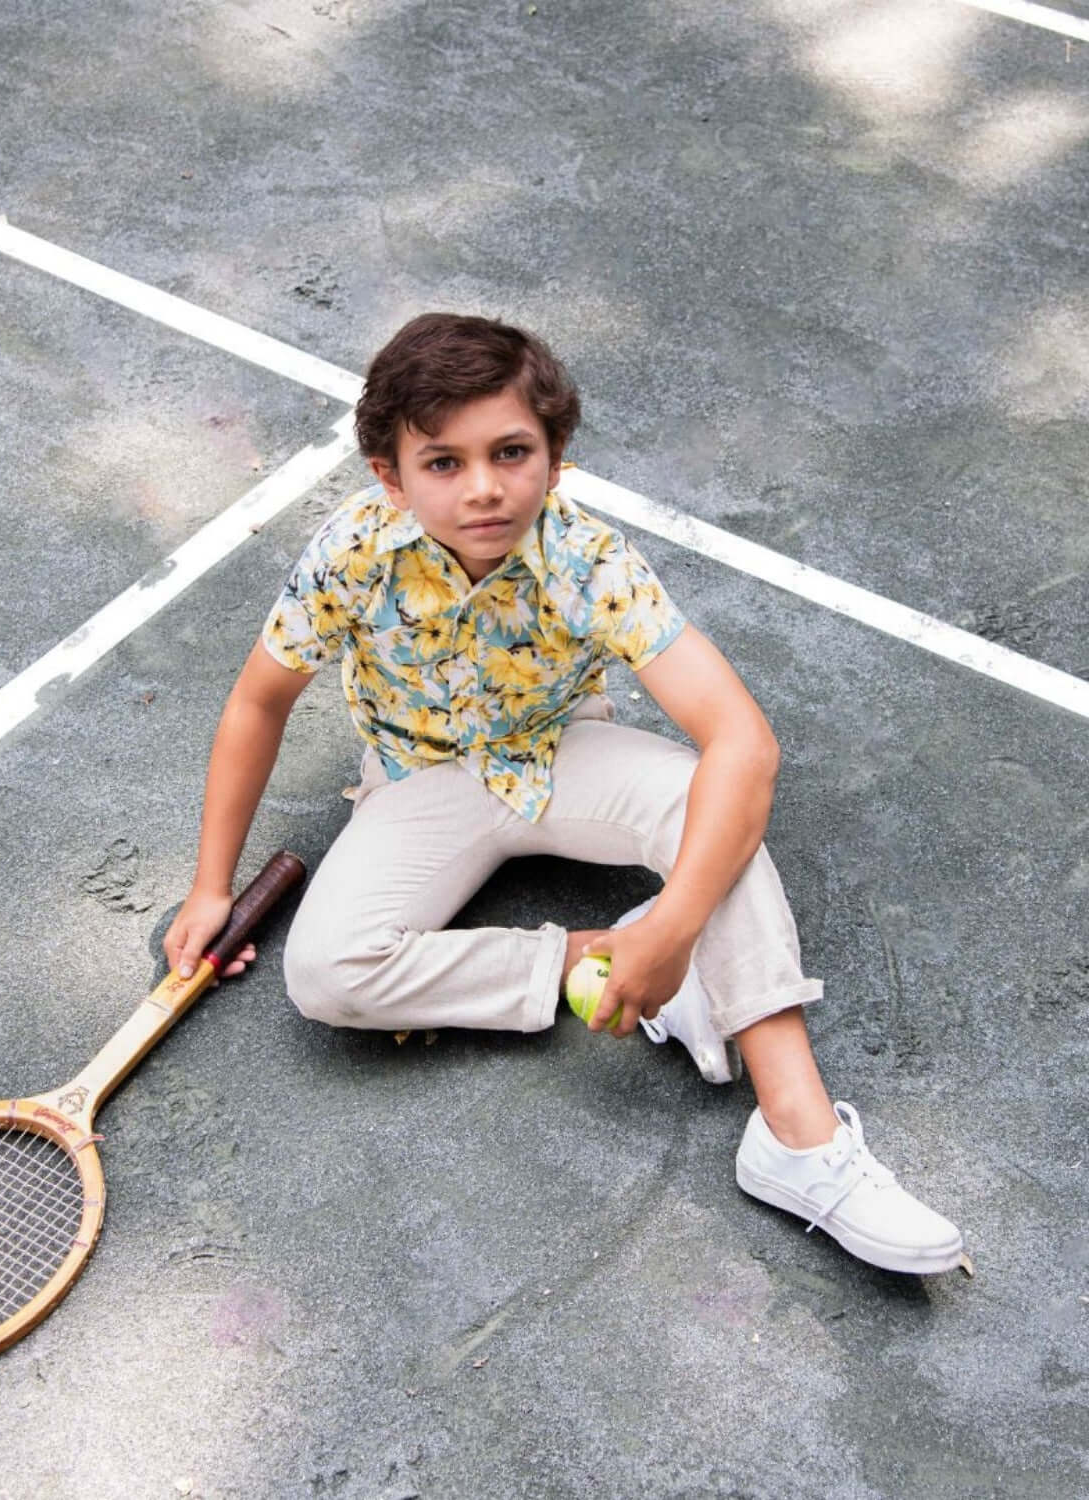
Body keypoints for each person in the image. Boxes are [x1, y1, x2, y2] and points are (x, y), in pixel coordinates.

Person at [164, 312, 963, 1276]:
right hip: (415, 787)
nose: (486, 488)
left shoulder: (591, 562)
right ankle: (611, 960)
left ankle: (797, 1141)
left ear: (556, 456)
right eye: (444, 463)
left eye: (511, 453)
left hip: (561, 755)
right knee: (326, 975)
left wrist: (674, 926)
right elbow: (259, 702)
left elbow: (744, 742)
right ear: (391, 476)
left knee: (711, 801)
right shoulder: (351, 553)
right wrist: (213, 885)